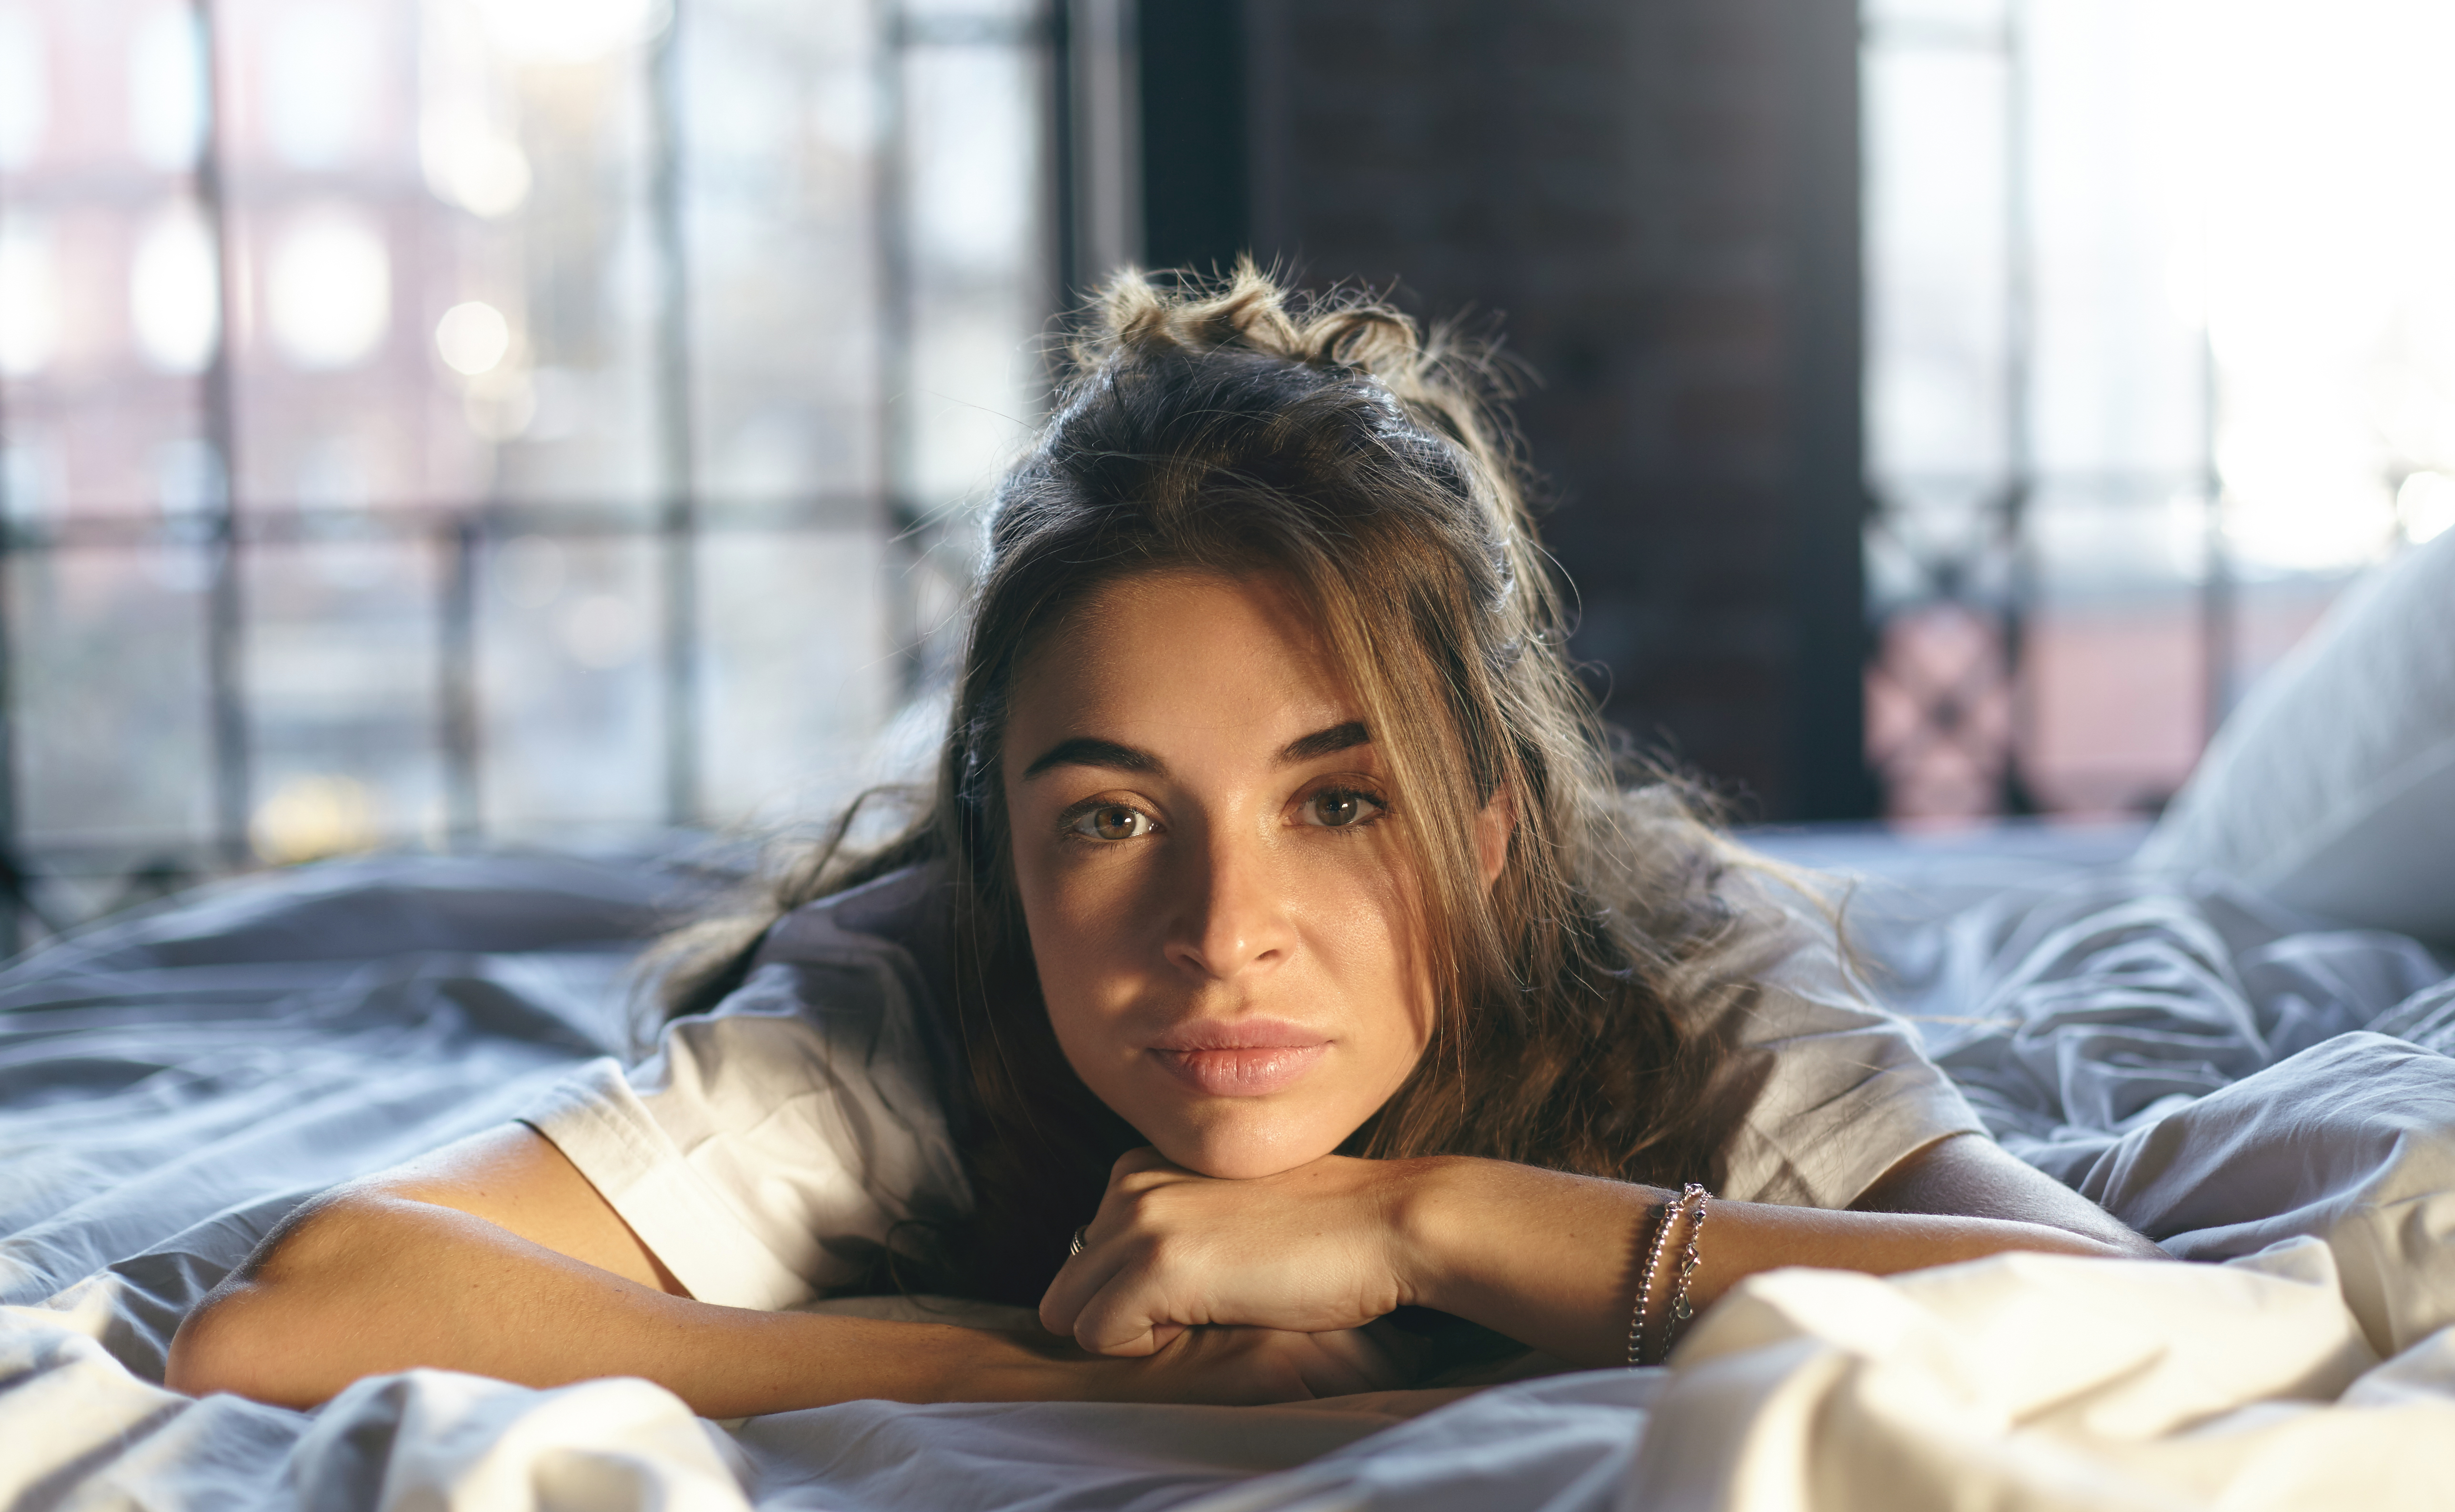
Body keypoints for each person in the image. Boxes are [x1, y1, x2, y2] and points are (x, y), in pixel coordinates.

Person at [167, 268, 2159, 1418]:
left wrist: (1418, 1220)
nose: (1225, 934)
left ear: (1482, 833)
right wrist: (1025, 1373)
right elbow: (302, 1309)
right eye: (1111, 817)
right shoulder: (914, 985)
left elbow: (2113, 1307)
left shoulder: (1665, 941)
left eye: (1339, 803)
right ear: (998, 855)